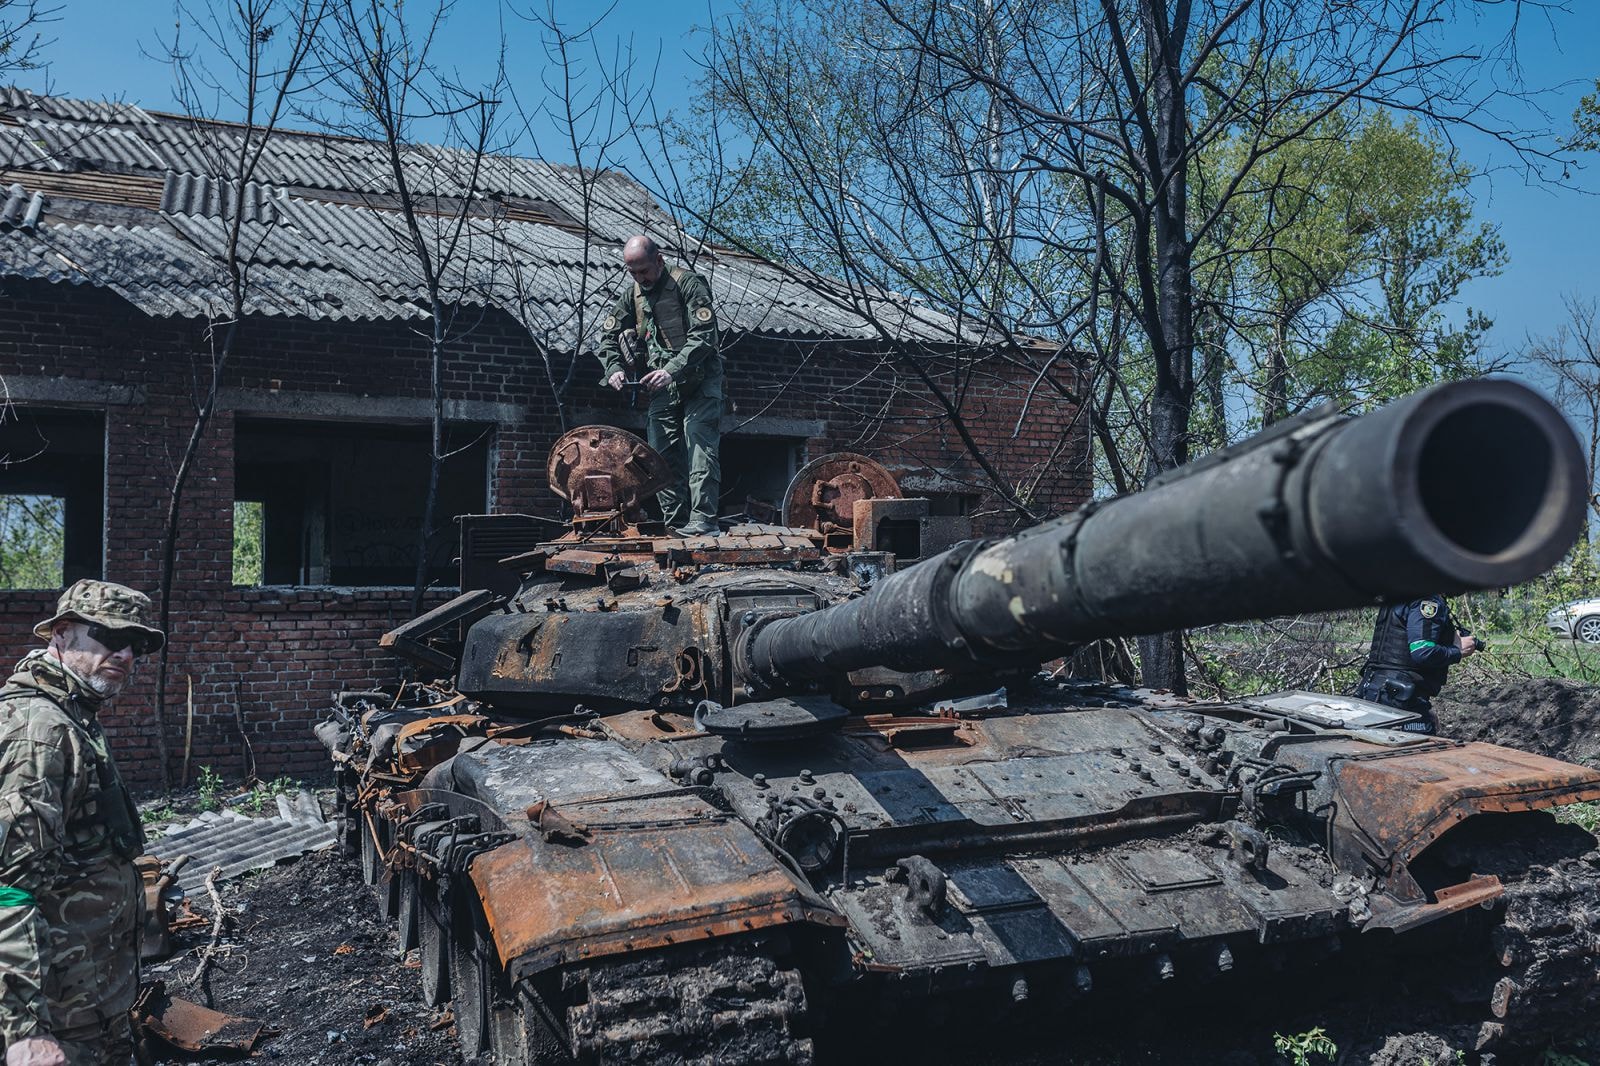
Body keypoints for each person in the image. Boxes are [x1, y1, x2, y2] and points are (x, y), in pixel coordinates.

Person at [0, 580, 164, 1066]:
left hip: (92, 989)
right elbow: (8, 889)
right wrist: (24, 1031)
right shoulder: (40, 733)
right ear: (63, 634)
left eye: (135, 645)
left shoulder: (72, 714)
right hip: (60, 1011)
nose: (126, 654)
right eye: (111, 638)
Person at [597, 235, 722, 536]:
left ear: (659, 261)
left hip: (700, 380)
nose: (641, 278)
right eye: (633, 273)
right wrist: (613, 368)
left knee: (699, 445)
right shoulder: (633, 295)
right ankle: (676, 523)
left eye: (645, 271)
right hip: (662, 387)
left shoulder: (688, 285)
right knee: (660, 455)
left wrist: (671, 370)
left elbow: (704, 337)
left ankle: (703, 521)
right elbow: (607, 336)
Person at [1355, 594, 1478, 735]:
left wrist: (1422, 710)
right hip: (1399, 700)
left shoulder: (1397, 596)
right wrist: (1458, 651)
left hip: (1374, 692)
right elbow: (1423, 651)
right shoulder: (1427, 600)